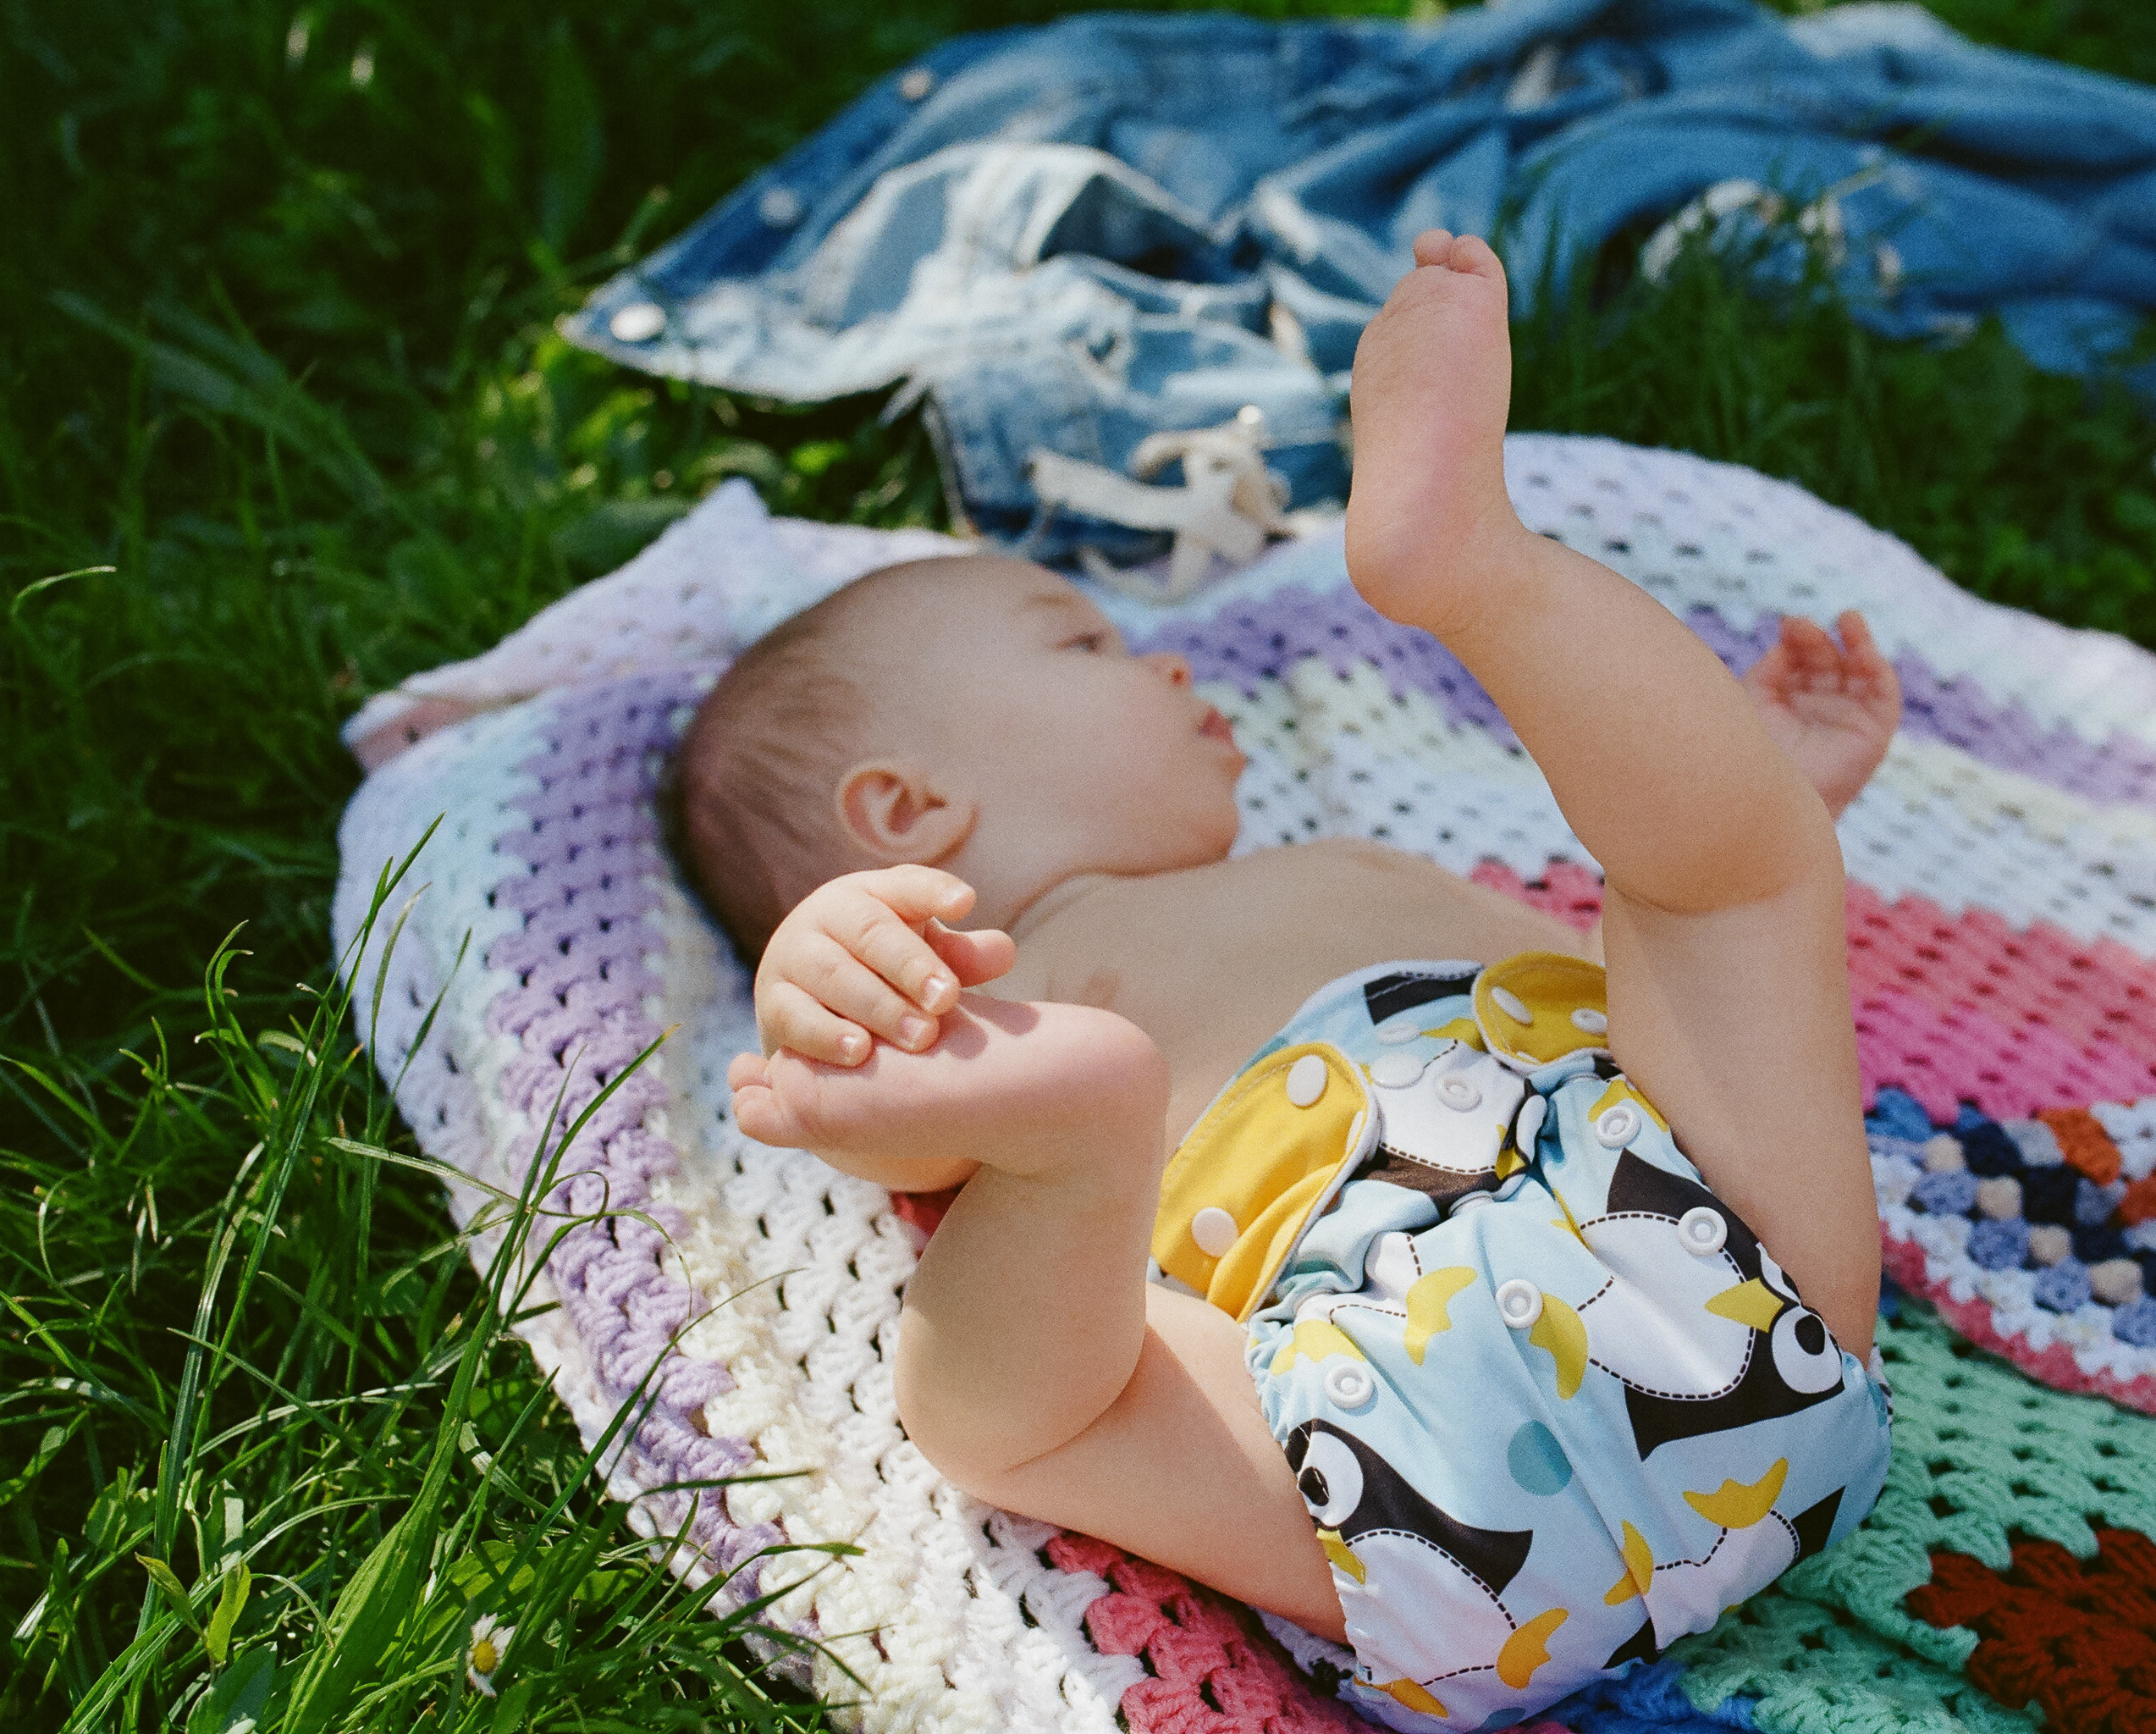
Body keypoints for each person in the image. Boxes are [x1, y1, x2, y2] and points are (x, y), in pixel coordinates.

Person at [684, 231, 1900, 1729]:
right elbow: (898, 1118)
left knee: (1726, 872)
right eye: (1085, 641)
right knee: (975, 1406)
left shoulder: (1322, 869)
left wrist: (1748, 798)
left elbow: (1640, 977)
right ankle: (1471, 585)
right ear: (908, 814)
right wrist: (827, 977)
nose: (1173, 670)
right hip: (1522, 1367)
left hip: (1543, 1407)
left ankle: (1482, 570)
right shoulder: (991, 970)